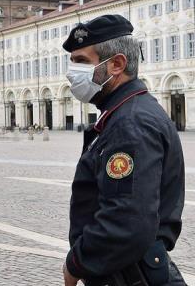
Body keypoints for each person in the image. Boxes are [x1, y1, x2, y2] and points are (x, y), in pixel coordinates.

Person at [62, 14, 185, 286]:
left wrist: (76, 263)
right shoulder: (125, 113)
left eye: (81, 61)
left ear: (116, 64)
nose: (72, 72)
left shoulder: (130, 123)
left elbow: (126, 221)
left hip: (131, 277)